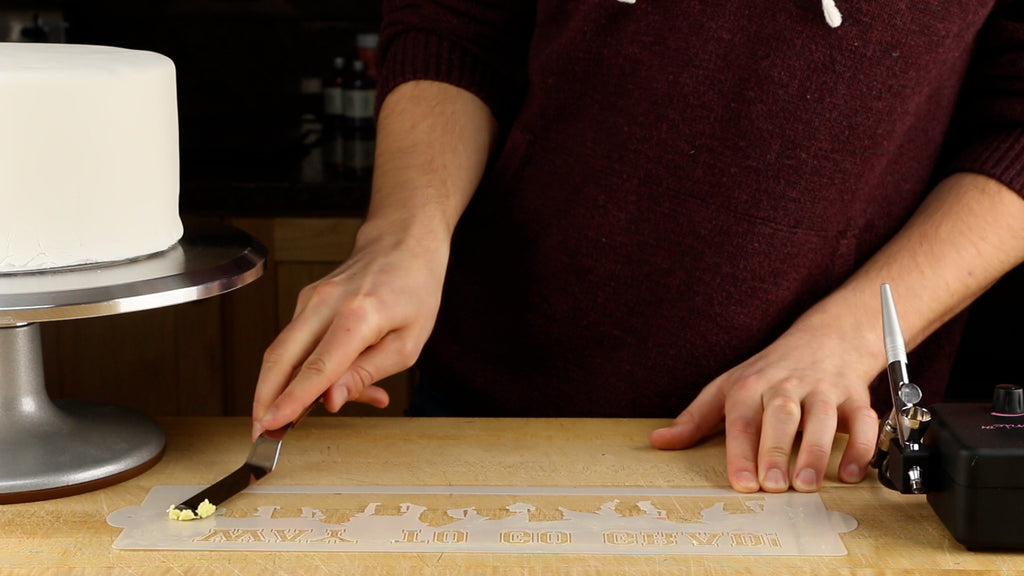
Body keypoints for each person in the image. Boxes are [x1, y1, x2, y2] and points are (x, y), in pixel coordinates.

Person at [252, 1, 1024, 494]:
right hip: (501, 400)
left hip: (815, 438)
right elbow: (456, 25)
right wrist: (402, 233)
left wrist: (845, 340)